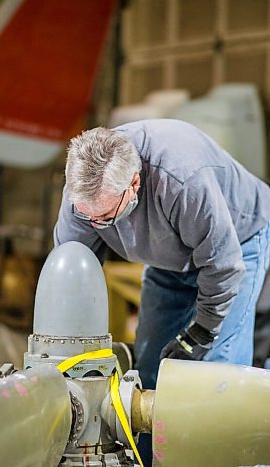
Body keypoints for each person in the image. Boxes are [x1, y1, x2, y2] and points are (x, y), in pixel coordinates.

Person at [54, 119, 270, 462]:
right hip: (168, 256)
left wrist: (199, 333)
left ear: (135, 183)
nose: (96, 226)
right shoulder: (82, 196)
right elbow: (71, 271)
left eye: (106, 217)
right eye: (86, 217)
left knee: (216, 377)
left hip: (236, 245)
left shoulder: (182, 178)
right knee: (151, 366)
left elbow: (223, 266)